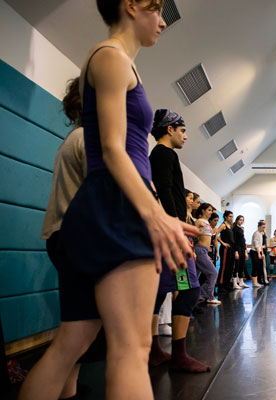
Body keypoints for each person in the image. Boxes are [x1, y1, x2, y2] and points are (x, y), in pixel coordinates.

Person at [19, 2, 198, 398]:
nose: (163, 21)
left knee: (72, 342)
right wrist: (155, 214)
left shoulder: (113, 61)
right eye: (157, 9)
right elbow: (115, 151)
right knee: (131, 350)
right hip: (118, 208)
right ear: (131, 5)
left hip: (104, 207)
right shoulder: (110, 57)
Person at [38, 77, 106, 400]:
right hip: (74, 238)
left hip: (67, 237)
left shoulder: (76, 138)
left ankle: (69, 392)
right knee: (76, 334)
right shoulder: (86, 140)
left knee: (82, 330)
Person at [148, 109, 209, 373]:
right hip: (172, 234)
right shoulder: (164, 154)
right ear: (169, 129)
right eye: (182, 130)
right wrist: (178, 231)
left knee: (162, 290)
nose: (185, 136)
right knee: (188, 288)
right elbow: (163, 190)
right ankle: (179, 355)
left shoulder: (158, 155)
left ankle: (152, 349)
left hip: (166, 231)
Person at [194, 203, 221, 305]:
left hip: (204, 250)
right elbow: (193, 235)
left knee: (195, 276)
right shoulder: (199, 221)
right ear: (203, 210)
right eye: (209, 210)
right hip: (200, 250)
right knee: (213, 273)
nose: (210, 212)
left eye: (211, 210)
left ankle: (195, 297)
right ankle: (208, 296)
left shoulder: (206, 222)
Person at [215, 211, 237, 292]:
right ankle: (221, 285)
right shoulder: (223, 225)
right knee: (224, 267)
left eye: (232, 216)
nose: (231, 218)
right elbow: (215, 234)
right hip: (225, 249)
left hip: (231, 249)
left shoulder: (230, 226)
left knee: (230, 267)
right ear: (226, 217)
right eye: (230, 216)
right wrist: (223, 243)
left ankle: (227, 284)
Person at [232, 215, 250, 289]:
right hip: (237, 248)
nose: (241, 221)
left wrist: (245, 251)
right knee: (237, 265)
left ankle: (241, 281)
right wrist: (236, 251)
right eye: (240, 220)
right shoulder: (234, 229)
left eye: (242, 220)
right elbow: (235, 241)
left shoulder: (241, 229)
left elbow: (243, 241)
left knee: (241, 265)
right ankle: (235, 283)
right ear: (237, 220)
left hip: (242, 248)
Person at [250, 221, 267, 288]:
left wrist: (261, 253)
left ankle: (256, 282)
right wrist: (258, 254)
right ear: (259, 226)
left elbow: (261, 245)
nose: (264, 229)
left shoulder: (260, 234)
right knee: (255, 267)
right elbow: (256, 244)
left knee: (257, 267)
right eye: (263, 227)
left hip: (258, 251)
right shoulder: (256, 233)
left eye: (264, 227)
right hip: (254, 252)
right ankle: (254, 282)